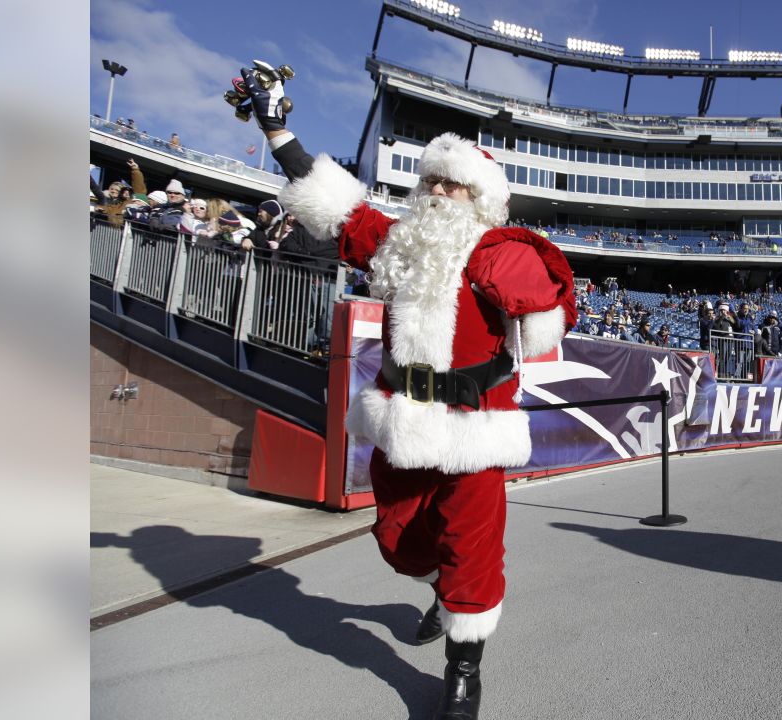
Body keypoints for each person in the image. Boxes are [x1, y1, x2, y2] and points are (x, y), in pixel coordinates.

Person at [233, 60, 575, 720]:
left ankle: (464, 671)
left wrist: (529, 283)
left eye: (455, 185)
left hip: (475, 430)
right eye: (433, 181)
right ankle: (444, 590)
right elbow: (336, 208)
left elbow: (545, 320)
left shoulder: (499, 253)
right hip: (403, 423)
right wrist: (278, 131)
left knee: (474, 549)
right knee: (398, 542)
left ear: (480, 200)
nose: (441, 193)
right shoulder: (397, 243)